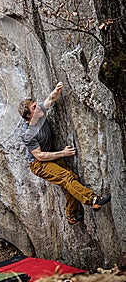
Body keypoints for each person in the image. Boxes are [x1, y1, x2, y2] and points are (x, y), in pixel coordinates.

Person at [18, 82, 111, 225]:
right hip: (39, 164)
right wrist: (63, 153)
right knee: (66, 177)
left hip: (50, 156)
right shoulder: (28, 134)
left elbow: (51, 99)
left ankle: (71, 216)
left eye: (36, 104)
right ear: (28, 116)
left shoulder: (39, 113)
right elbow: (39, 156)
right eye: (34, 107)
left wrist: (56, 90)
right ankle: (93, 200)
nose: (38, 107)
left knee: (71, 178)